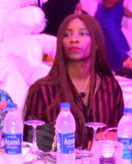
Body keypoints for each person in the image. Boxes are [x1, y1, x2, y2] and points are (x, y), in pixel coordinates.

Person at [24, 13, 125, 150]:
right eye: (67, 35)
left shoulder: (110, 86)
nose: (74, 39)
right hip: (56, 163)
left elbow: (118, 137)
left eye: (82, 34)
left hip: (102, 162)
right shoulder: (43, 91)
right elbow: (35, 147)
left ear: (96, 43)